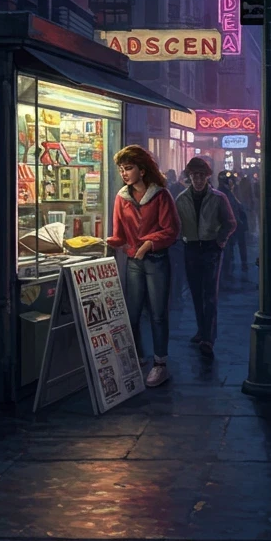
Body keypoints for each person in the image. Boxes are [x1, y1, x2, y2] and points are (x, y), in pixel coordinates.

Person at [106, 145, 180, 387]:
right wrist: (100, 242)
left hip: (157, 262)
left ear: (143, 169)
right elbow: (119, 235)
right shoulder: (121, 197)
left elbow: (171, 230)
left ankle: (160, 364)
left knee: (158, 315)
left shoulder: (161, 195)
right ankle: (137, 357)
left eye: (129, 168)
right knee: (133, 313)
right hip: (134, 262)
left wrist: (149, 243)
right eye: (121, 169)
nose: (124, 174)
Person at [176, 157, 236, 357]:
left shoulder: (218, 198)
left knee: (209, 294)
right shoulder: (182, 199)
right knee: (195, 292)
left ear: (207, 177)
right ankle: (202, 330)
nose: (198, 179)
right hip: (191, 247)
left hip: (210, 248)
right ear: (189, 177)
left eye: (201, 175)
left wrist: (220, 241)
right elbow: (177, 224)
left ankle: (209, 338)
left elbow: (230, 222)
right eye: (195, 175)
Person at [219, 173, 249, 278]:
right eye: (230, 180)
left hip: (236, 224)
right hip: (234, 224)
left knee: (235, 247)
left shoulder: (231, 192)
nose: (232, 182)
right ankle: (228, 270)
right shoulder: (225, 193)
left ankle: (234, 267)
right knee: (230, 248)